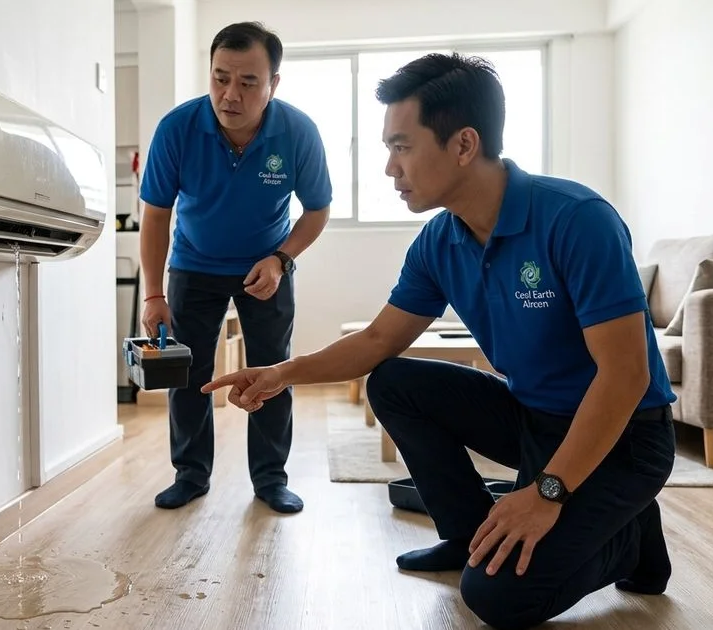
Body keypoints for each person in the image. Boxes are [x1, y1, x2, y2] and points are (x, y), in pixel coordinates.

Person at [202, 52, 678, 629]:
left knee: (499, 598)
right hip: (534, 418)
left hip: (625, 436)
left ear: (464, 144)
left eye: (401, 147)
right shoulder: (439, 241)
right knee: (394, 382)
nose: (390, 168)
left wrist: (545, 493)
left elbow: (626, 375)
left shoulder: (577, 220)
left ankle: (632, 540)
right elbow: (378, 339)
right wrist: (281, 373)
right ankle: (465, 534)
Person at [137, 21, 333, 514]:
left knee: (271, 371)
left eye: (248, 82)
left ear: (273, 84)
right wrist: (154, 294)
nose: (230, 95)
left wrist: (281, 259)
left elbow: (317, 210)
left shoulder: (298, 132)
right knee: (188, 374)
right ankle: (190, 474)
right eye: (220, 78)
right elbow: (156, 215)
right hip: (193, 266)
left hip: (266, 268)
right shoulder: (177, 129)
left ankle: (270, 479)